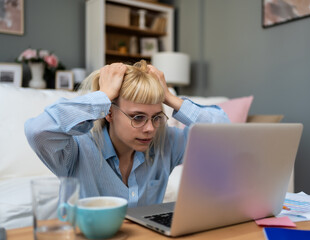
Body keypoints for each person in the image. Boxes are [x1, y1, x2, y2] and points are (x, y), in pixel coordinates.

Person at [25, 61, 230, 207]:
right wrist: (102, 97)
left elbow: (226, 135)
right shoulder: (76, 148)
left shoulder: (166, 142)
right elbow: (38, 130)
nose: (150, 128)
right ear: (109, 113)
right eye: (138, 117)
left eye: (156, 117)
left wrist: (170, 97)